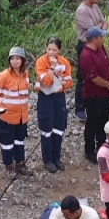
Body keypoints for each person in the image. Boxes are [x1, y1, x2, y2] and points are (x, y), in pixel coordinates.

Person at [35, 37, 73, 173]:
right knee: (46, 128)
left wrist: (56, 81)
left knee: (59, 127)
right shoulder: (40, 61)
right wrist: (51, 67)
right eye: (49, 49)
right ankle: (48, 160)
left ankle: (56, 157)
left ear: (59, 50)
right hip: (45, 97)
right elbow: (45, 82)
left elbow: (69, 82)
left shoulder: (64, 62)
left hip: (59, 96)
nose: (51, 52)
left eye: (54, 50)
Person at [78, 27, 109, 165]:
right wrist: (108, 84)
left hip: (105, 93)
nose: (103, 39)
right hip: (93, 95)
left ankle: (102, 145)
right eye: (101, 37)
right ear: (94, 39)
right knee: (93, 122)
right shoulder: (86, 55)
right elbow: (94, 78)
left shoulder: (100, 48)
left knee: (104, 121)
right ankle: (89, 150)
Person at [0, 48, 31, 177]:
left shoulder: (25, 74)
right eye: (12, 58)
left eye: (17, 58)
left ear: (22, 60)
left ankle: (20, 163)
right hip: (7, 117)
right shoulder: (3, 76)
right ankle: (9, 166)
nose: (15, 61)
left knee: (20, 141)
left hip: (22, 116)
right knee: (7, 143)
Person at [74, 0, 107, 121]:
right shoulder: (82, 10)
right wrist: (100, 28)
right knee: (83, 76)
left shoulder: (95, 6)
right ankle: (79, 108)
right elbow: (93, 31)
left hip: (97, 44)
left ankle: (94, 101)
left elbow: (104, 23)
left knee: (99, 71)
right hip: (85, 46)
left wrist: (99, 28)